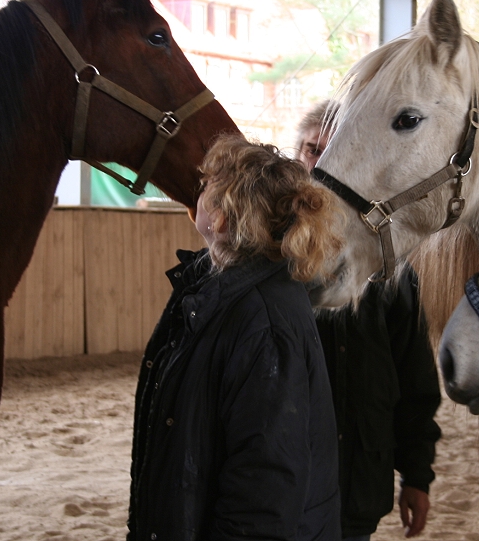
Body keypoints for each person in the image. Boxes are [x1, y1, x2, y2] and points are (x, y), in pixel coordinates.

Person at [128, 134, 344, 541]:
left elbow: (265, 488)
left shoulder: (262, 319)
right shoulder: (215, 290)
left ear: (226, 215)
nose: (200, 190)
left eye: (208, 184)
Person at [296, 101, 442, 541]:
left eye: (331, 152)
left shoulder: (390, 264)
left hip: (358, 483)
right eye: (310, 150)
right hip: (285, 483)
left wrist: (417, 475)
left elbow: (414, 373)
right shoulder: (264, 253)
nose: (320, 164)